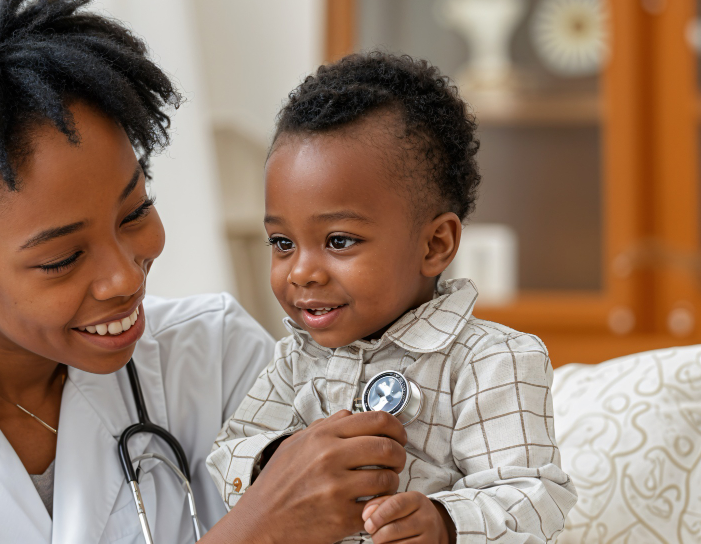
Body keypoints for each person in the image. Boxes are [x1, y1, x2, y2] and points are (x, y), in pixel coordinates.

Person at [0, 0, 409, 543]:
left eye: (134, 212)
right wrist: (255, 529)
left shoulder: (214, 358)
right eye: (63, 257)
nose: (125, 277)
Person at [206, 52, 578, 544]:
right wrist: (280, 461)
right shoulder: (297, 360)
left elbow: (534, 497)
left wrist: (444, 524)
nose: (301, 272)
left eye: (339, 241)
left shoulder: (492, 361)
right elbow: (229, 450)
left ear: (435, 245)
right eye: (282, 243)